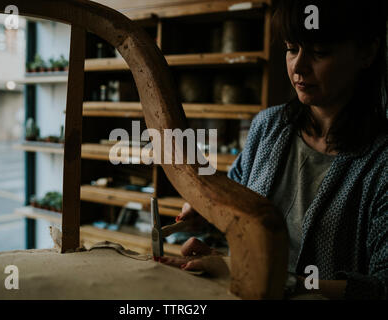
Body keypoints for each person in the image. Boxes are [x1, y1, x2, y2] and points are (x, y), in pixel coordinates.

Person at [161, 0, 388, 299]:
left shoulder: (381, 162)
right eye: (292, 48)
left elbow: (380, 288)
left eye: (319, 52)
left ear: (367, 52)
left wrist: (261, 276)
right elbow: (239, 207)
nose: (298, 66)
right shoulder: (269, 126)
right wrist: (210, 210)